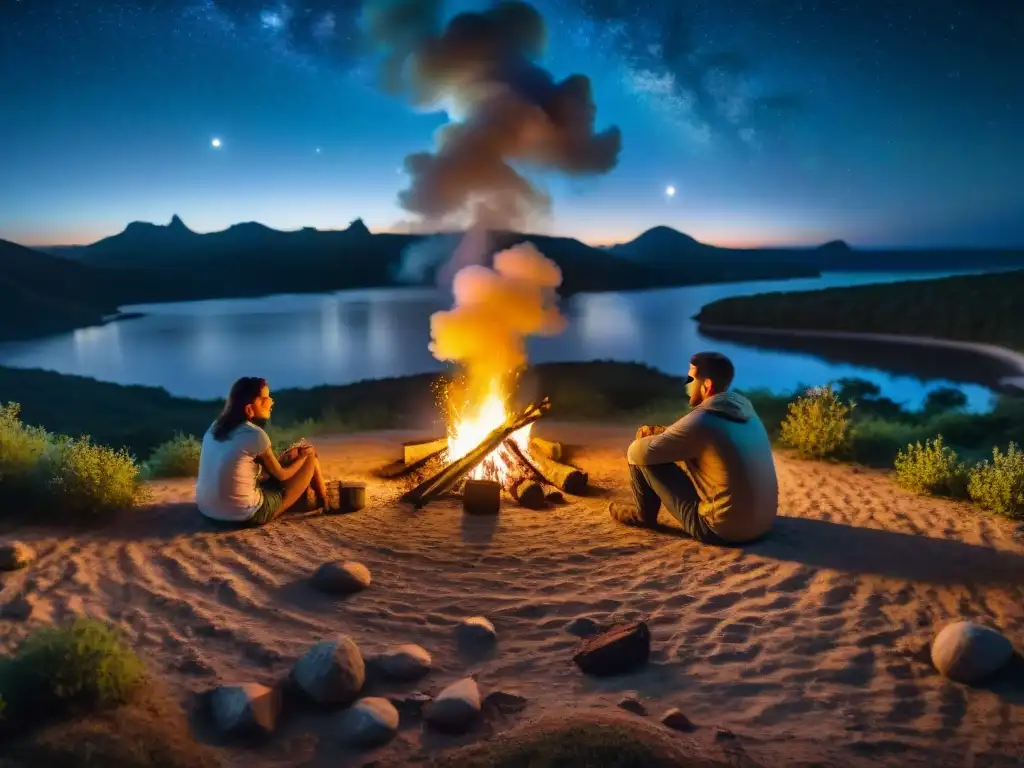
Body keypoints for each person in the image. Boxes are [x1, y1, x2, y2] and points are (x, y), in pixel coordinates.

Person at [609, 352, 778, 545]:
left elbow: (637, 451)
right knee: (658, 448)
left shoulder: (702, 421)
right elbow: (694, 435)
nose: (686, 384)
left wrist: (645, 440)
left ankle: (643, 516)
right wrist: (660, 434)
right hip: (763, 524)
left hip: (721, 530)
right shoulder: (744, 412)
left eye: (691, 379)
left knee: (641, 453)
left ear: (707, 385)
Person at [195, 376, 334, 526]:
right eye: (264, 399)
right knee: (310, 454)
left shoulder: (215, 427)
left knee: (274, 473)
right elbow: (282, 476)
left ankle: (320, 499)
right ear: (249, 409)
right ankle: (324, 502)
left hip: (208, 512)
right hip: (244, 515)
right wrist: (301, 456)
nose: (271, 401)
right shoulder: (254, 435)